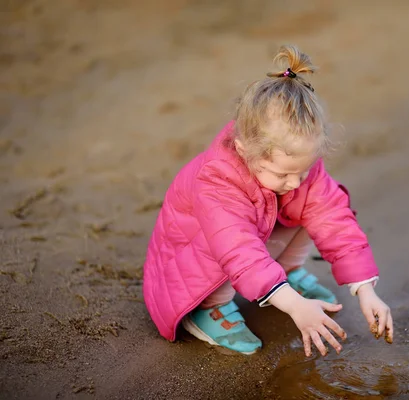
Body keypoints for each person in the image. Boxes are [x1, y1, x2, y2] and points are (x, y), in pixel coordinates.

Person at [142, 44, 393, 357]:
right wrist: (295, 306)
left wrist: (365, 290)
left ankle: (284, 275)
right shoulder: (217, 181)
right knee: (223, 241)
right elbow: (239, 251)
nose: (294, 182)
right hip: (189, 270)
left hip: (251, 238)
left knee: (311, 209)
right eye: (283, 175)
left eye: (302, 171)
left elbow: (333, 220)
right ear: (245, 150)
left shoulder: (296, 171)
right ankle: (210, 309)